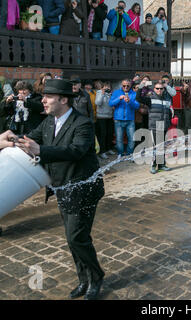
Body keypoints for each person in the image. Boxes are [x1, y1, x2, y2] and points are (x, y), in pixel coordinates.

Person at [13, 79, 105, 300]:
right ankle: (84, 279)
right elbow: (30, 139)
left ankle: (96, 276)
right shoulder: (48, 122)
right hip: (62, 189)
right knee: (72, 237)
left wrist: (42, 150)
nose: (42, 101)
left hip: (84, 189)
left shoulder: (82, 123)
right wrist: (11, 140)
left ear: (63, 100)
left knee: (77, 238)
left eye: (48, 97)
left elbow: (76, 151)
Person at [136, 81, 173, 174]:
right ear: (154, 89)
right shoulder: (150, 99)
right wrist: (141, 86)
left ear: (163, 89)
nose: (159, 90)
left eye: (161, 88)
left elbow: (168, 113)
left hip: (164, 125)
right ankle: (153, 165)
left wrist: (168, 124)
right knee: (155, 147)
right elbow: (138, 98)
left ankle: (161, 165)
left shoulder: (167, 100)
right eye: (157, 88)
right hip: (154, 126)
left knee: (162, 147)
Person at [109, 79, 140, 158]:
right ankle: (120, 153)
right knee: (119, 139)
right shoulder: (116, 93)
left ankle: (129, 153)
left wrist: (130, 101)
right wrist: (119, 99)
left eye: (128, 86)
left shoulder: (134, 93)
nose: (126, 87)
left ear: (130, 86)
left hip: (130, 120)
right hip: (118, 120)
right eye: (124, 85)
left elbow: (137, 106)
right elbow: (110, 103)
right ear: (121, 85)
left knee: (131, 139)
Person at [95, 81, 114, 159]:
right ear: (102, 87)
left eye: (108, 86)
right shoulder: (99, 92)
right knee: (103, 135)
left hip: (109, 116)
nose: (107, 88)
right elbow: (98, 103)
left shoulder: (110, 94)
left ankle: (108, 149)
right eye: (106, 86)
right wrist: (102, 94)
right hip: (101, 117)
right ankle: (102, 151)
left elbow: (112, 105)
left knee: (109, 133)